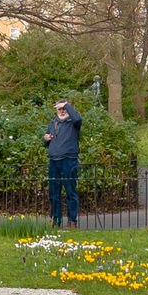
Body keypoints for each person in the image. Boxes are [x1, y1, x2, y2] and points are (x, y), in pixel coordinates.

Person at [43, 98, 82, 228]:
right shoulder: (53, 121)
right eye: (59, 108)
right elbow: (47, 141)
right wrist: (46, 139)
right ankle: (56, 220)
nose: (62, 111)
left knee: (70, 191)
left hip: (69, 160)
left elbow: (77, 119)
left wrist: (67, 105)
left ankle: (72, 221)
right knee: (54, 193)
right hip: (54, 160)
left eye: (64, 108)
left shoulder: (73, 122)